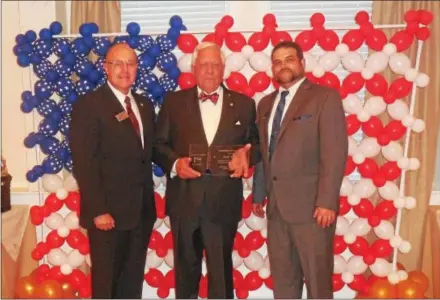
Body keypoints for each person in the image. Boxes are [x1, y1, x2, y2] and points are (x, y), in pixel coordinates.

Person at [153, 41, 259, 299]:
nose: (210, 70)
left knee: (221, 276)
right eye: (204, 65)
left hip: (223, 202)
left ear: (224, 69)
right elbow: (158, 145)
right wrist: (176, 164)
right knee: (185, 274)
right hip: (184, 202)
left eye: (215, 65)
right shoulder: (174, 102)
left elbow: (256, 144)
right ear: (193, 69)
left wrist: (246, 155)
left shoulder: (244, 104)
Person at [252, 41, 348, 299]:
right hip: (276, 209)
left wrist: (327, 201)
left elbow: (334, 152)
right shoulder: (265, 105)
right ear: (272, 68)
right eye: (277, 61)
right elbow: (264, 151)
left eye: (289, 59)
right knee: (284, 282)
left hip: (313, 211)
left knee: (317, 282)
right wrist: (259, 194)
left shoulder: (324, 97)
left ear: (302, 63)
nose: (283, 65)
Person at [70, 43, 156, 299]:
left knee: (131, 284)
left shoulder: (144, 105)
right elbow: (85, 162)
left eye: (130, 63)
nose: (124, 69)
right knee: (106, 285)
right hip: (107, 216)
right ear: (105, 68)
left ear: (137, 68)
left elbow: (148, 154)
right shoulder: (90, 105)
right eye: (117, 63)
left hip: (140, 213)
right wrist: (98, 210)